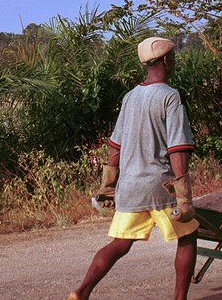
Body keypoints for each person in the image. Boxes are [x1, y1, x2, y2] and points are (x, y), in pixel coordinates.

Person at [69, 37, 198, 300]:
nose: (174, 62)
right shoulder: (170, 97)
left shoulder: (130, 97)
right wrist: (183, 194)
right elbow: (177, 148)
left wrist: (108, 185)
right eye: (172, 57)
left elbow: (115, 146)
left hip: (130, 188)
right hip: (160, 187)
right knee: (188, 235)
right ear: (164, 61)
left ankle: (80, 293)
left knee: (119, 244)